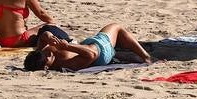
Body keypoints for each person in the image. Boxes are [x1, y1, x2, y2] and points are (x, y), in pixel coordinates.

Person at [22, 23, 151, 71]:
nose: (49, 54)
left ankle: (120, 52)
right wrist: (68, 46)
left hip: (89, 45)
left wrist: (49, 37)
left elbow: (43, 36)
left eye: (44, 54)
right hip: (100, 51)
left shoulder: (42, 53)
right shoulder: (67, 63)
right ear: (46, 67)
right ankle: (147, 57)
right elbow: (91, 55)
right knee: (117, 28)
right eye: (47, 58)